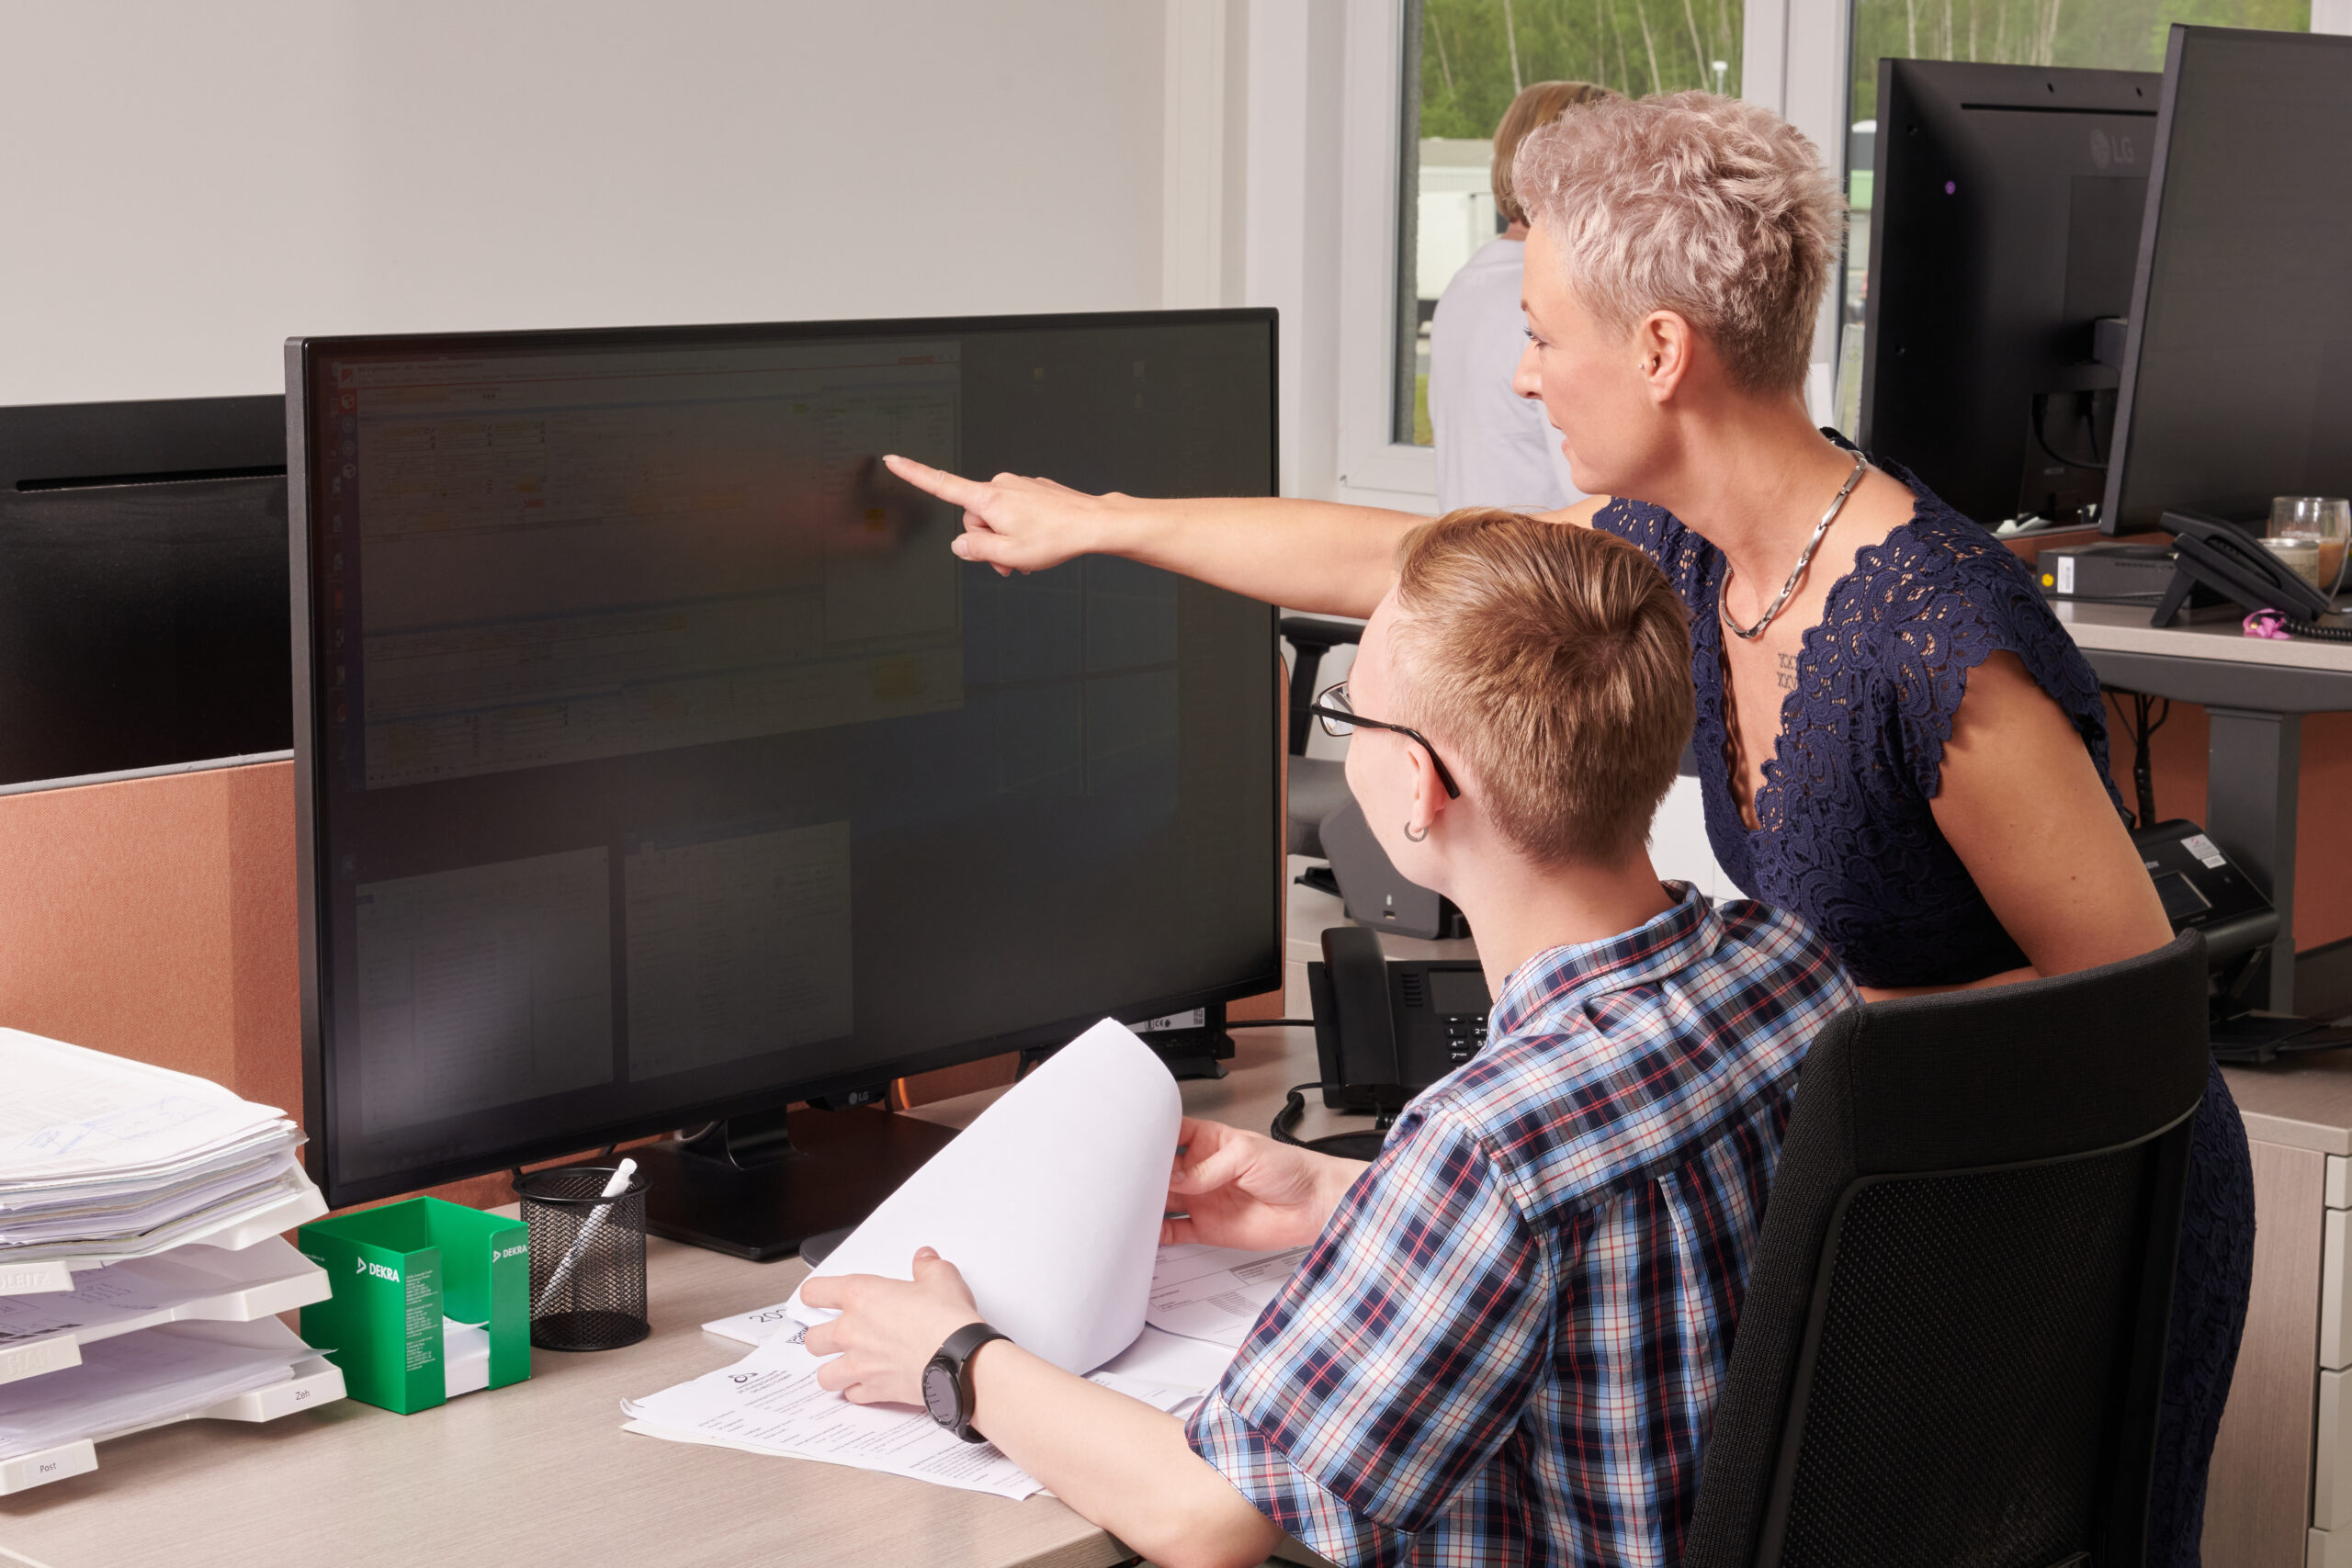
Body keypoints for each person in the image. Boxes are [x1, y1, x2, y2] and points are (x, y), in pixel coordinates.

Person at [882, 89, 2252, 1568]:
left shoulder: (1933, 641)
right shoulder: (1678, 545)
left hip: (2079, 1172)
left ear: (1660, 350)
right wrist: (1106, 523)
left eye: (1541, 329)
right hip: (1861, 1147)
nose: (1523, 374)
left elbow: (2128, 1016)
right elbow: (1411, 566)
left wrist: (1796, 1039)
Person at [805, 514, 1858, 1568]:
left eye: (1349, 713)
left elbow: (1207, 1515)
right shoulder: (1791, 971)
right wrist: (1348, 1200)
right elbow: (1635, 1259)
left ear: (1420, 787)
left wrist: (952, 1358)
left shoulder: (1488, 1144)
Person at [1428, 79, 1613, 513]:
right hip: (1549, 570)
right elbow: (1588, 493)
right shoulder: (1549, 296)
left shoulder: (1464, 285)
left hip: (1479, 563)